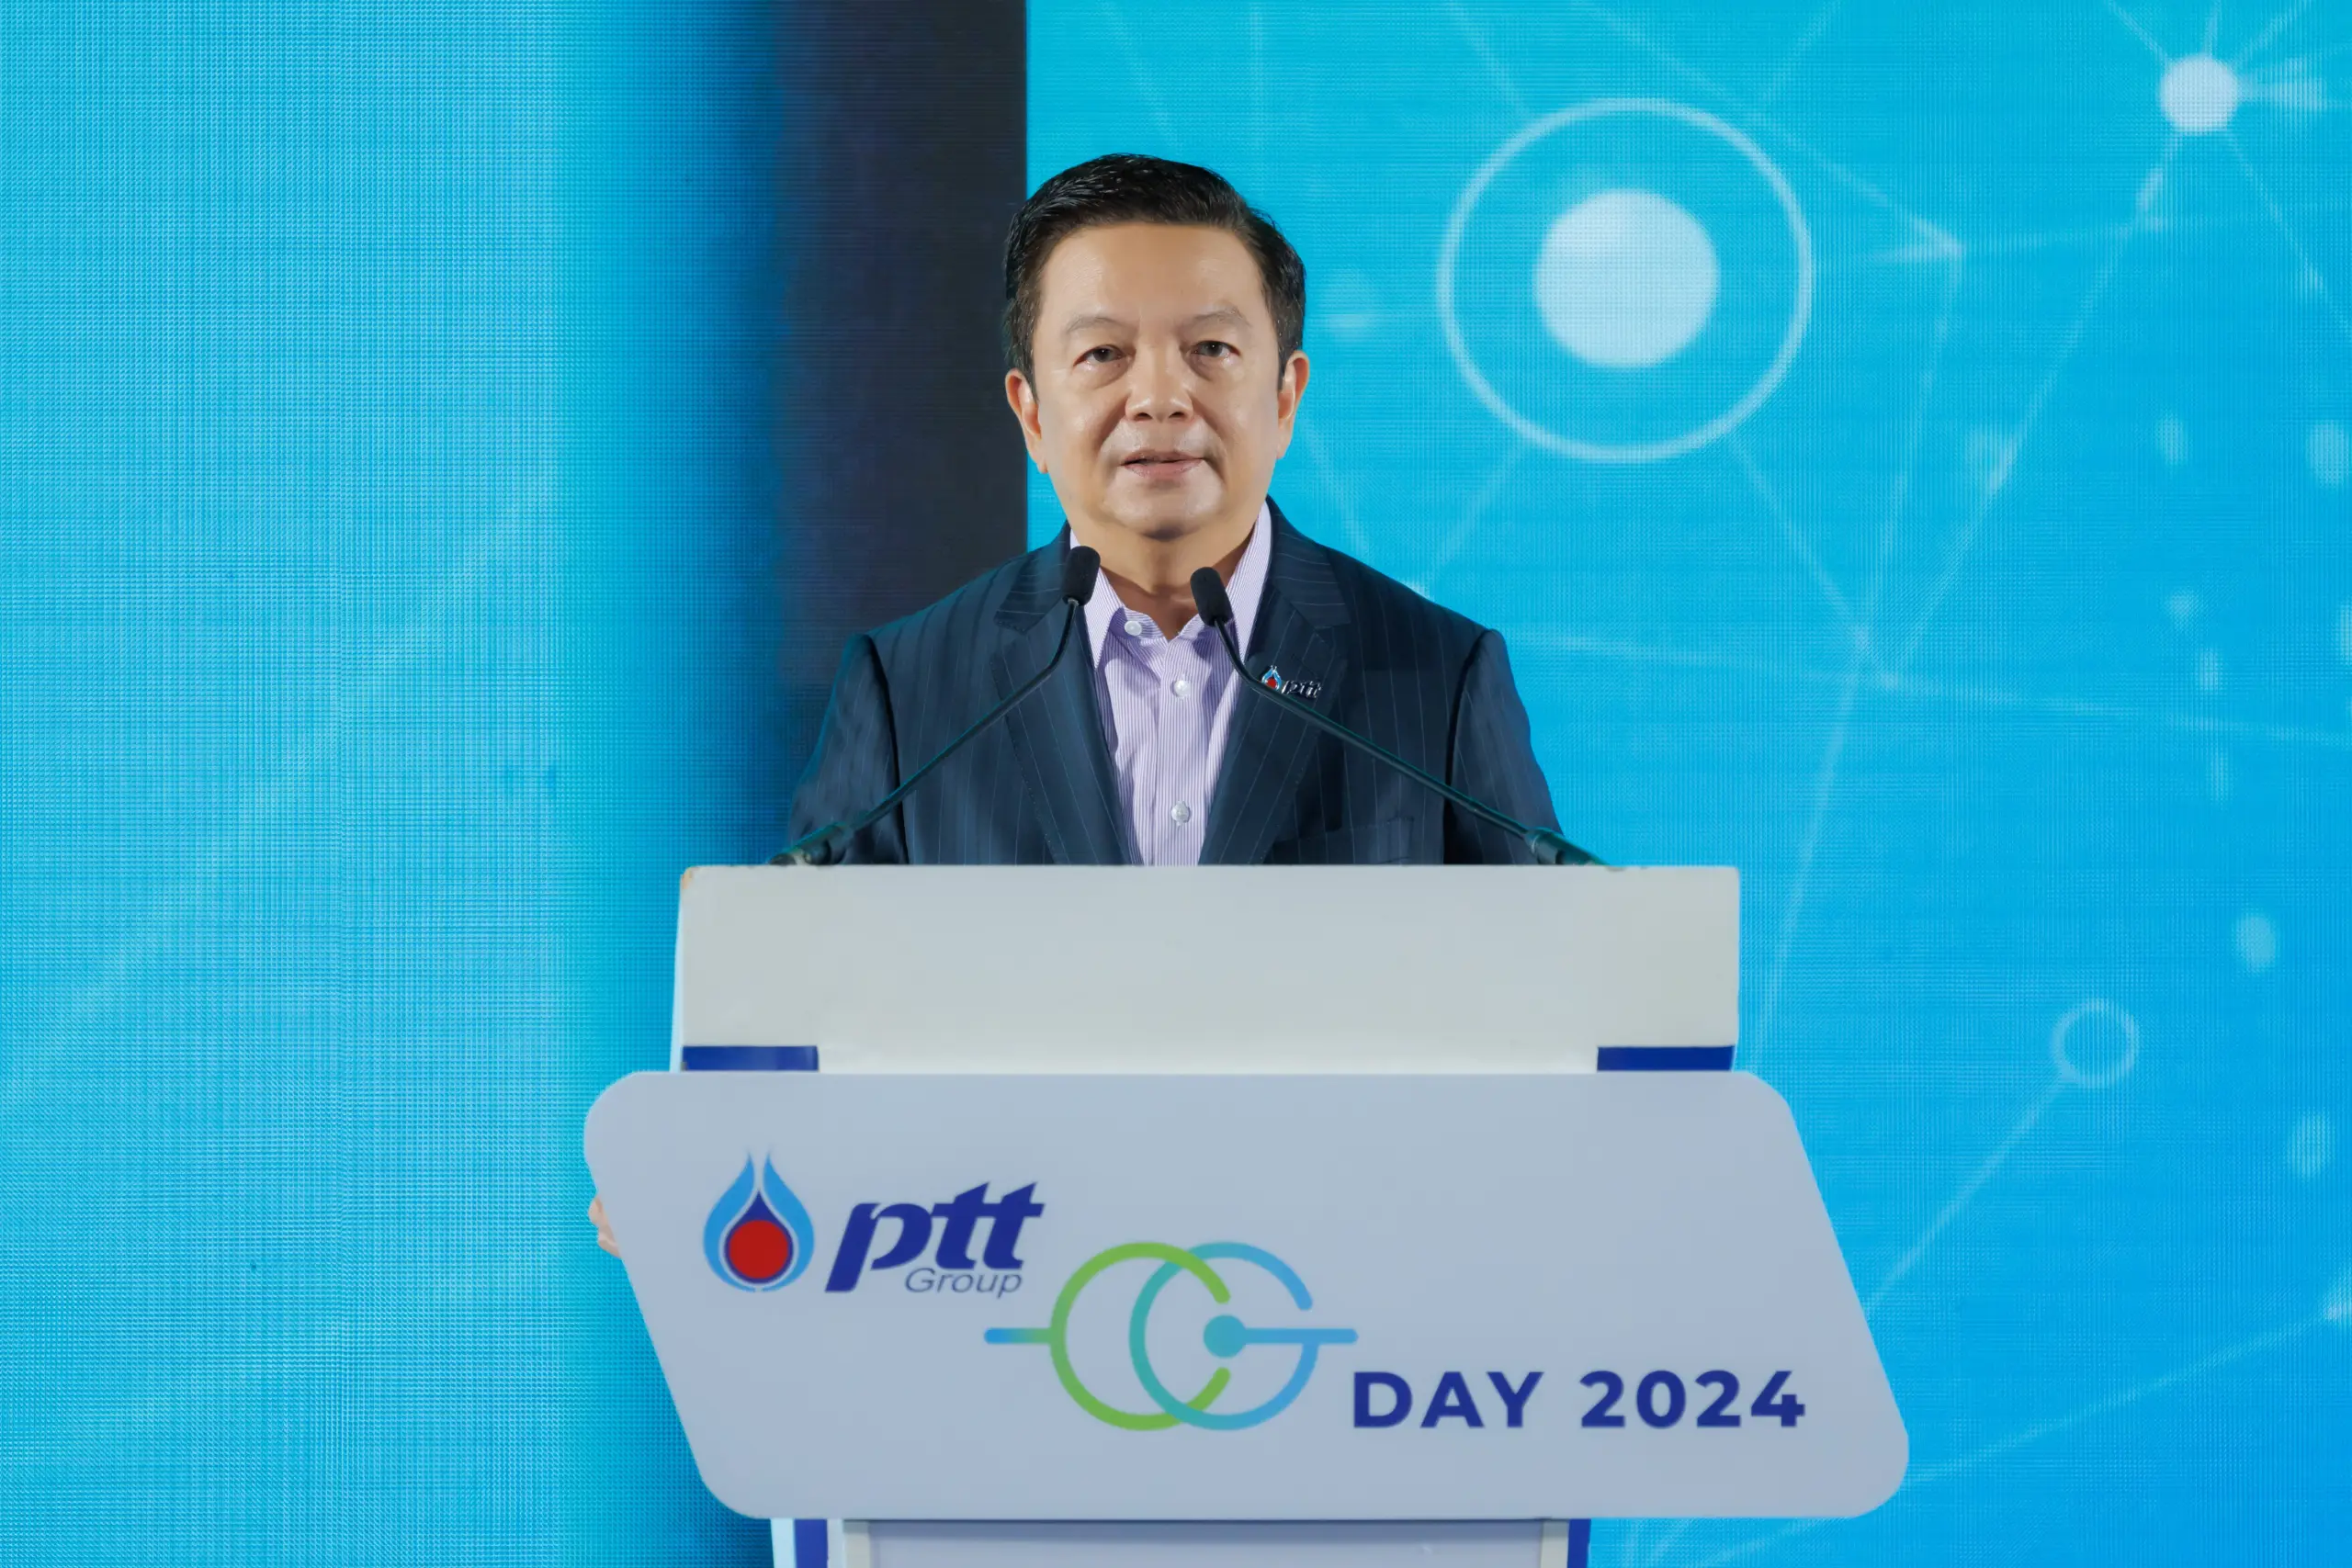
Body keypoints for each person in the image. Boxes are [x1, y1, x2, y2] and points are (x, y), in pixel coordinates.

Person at [588, 152, 1566, 1204]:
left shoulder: (1435, 673)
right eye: (1103, 355)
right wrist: (701, 1160)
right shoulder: (912, 689)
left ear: (1285, 396)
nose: (1160, 398)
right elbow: (798, 1021)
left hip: (1348, 1261)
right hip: (1009, 1265)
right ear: (1031, 414)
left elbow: (1552, 1022)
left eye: (1210, 350)